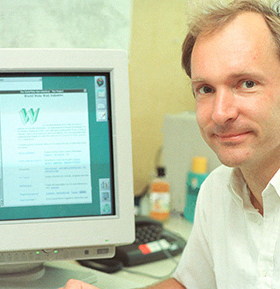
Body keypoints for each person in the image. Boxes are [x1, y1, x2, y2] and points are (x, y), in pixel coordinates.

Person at [60, 0, 280, 288]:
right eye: (205, 89)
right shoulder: (217, 192)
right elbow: (188, 284)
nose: (220, 112)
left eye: (246, 83)